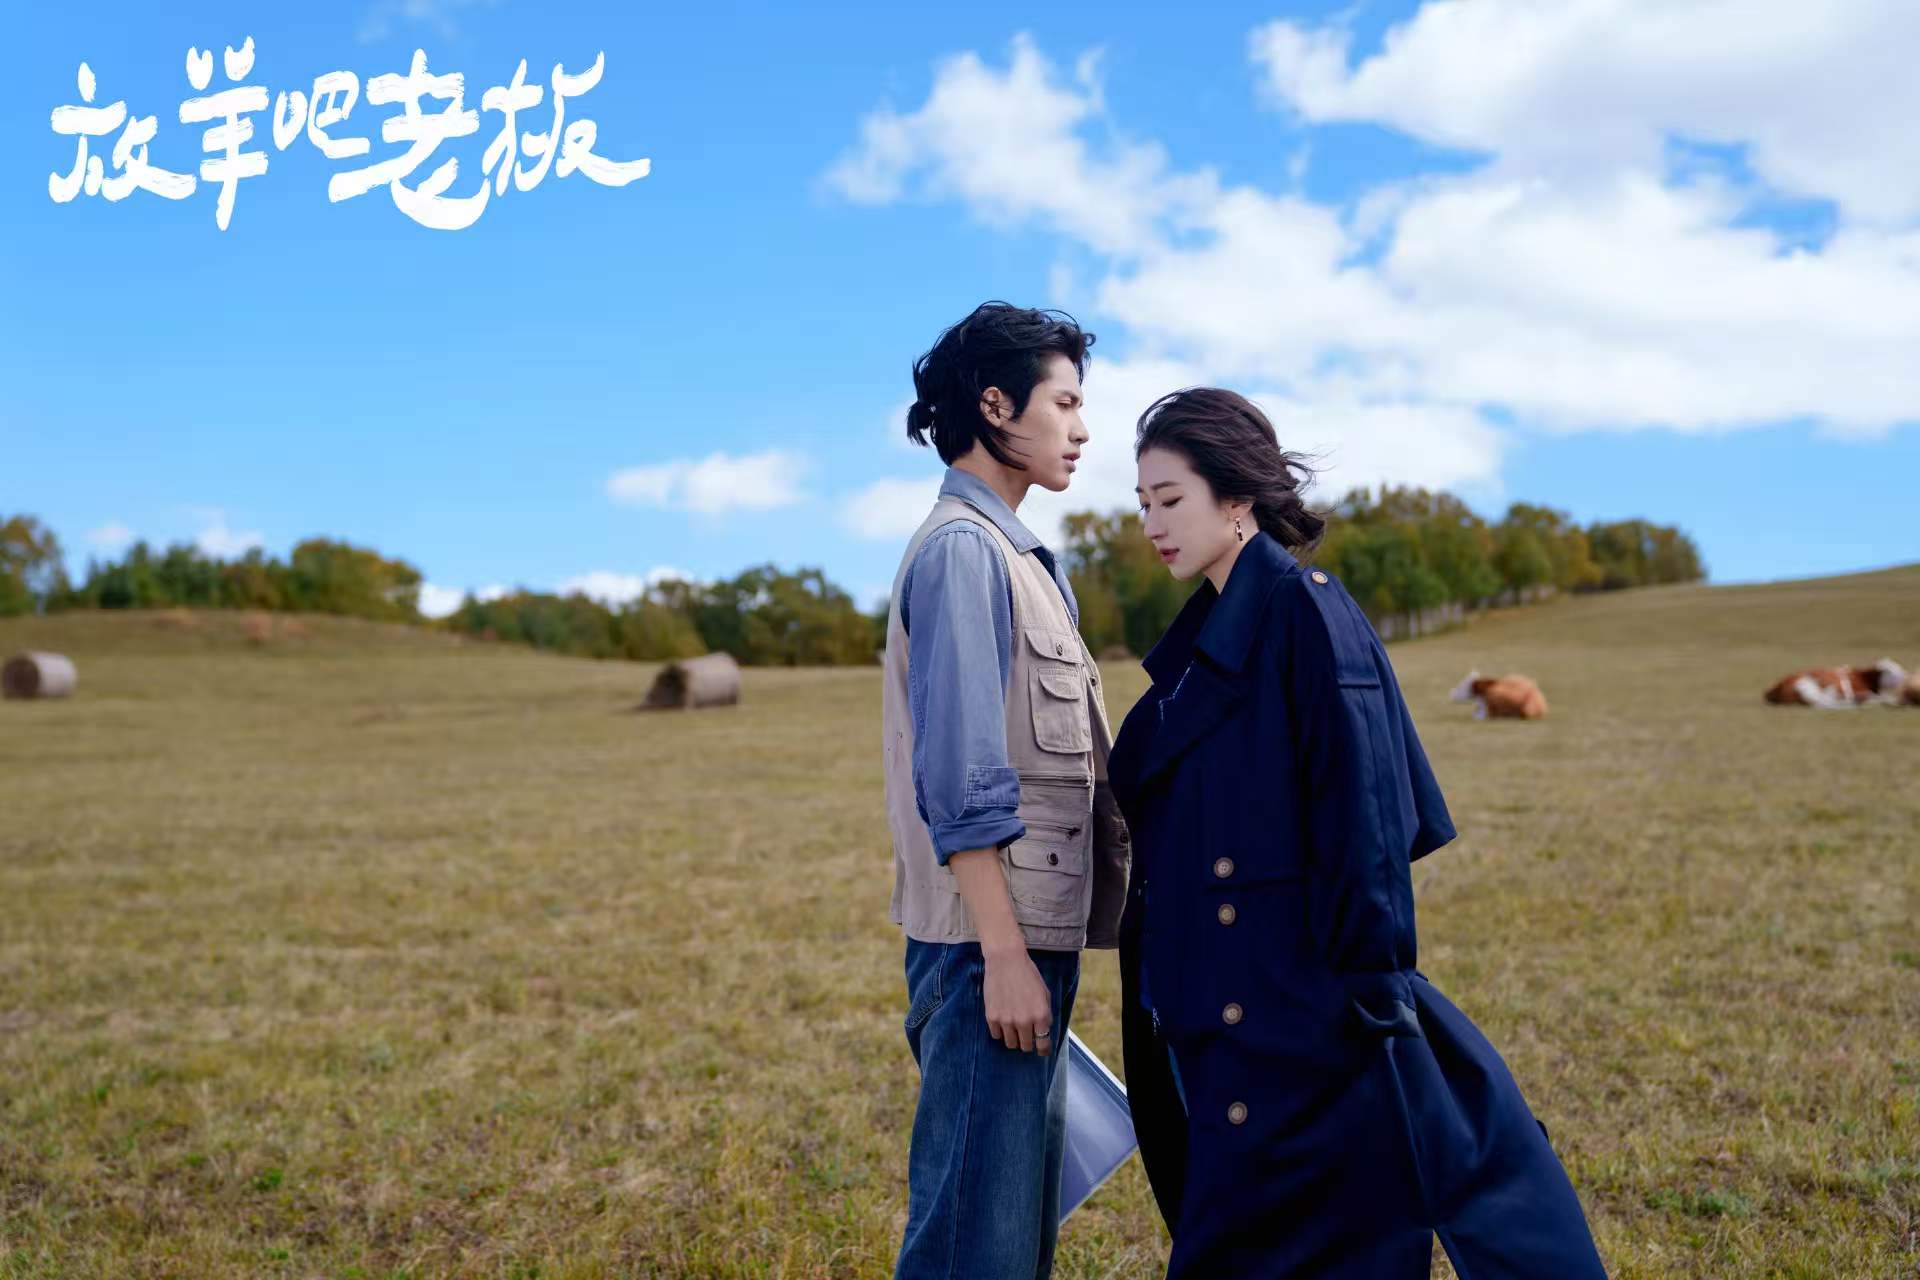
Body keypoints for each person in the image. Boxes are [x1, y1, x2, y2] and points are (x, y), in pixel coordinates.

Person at [1107, 387, 1609, 1278]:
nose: (1152, 525)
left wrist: (1366, 1003)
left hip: (1298, 1016)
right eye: (1143, 503)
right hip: (1215, 1011)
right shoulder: (1194, 653)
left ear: (1237, 495)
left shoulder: (1306, 611)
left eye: (1171, 499)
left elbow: (1368, 817)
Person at [880, 301, 1132, 1279]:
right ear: (995, 405)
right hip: (990, 949)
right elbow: (962, 778)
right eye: (1063, 402)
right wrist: (1004, 957)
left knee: (1011, 1239)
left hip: (1023, 939)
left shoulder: (1015, 554)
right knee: (972, 1249)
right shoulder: (964, 552)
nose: (1082, 428)